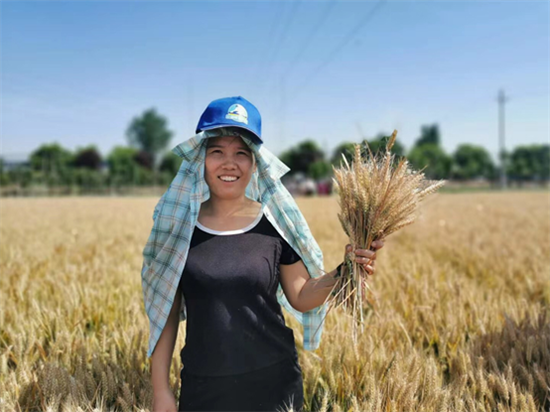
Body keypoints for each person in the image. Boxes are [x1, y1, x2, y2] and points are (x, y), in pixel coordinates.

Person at [140, 96, 385, 412]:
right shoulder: (179, 229)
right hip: (204, 387)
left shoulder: (274, 224)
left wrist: (345, 270)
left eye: (241, 153)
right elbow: (165, 316)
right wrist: (162, 392)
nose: (230, 163)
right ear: (200, 159)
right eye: (217, 152)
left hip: (275, 383)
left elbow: (300, 294)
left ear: (254, 163)